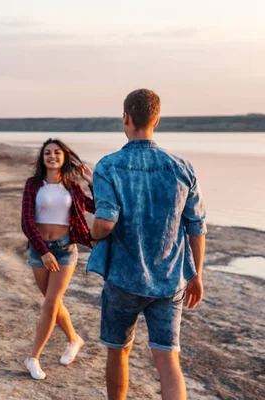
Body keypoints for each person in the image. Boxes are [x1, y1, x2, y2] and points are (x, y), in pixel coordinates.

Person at [88, 89, 207, 400]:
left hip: (123, 278)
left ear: (126, 118)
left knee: (118, 351)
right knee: (168, 359)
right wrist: (196, 275)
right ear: (157, 119)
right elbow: (196, 225)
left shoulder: (108, 166)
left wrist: (92, 234)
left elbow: (105, 222)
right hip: (170, 281)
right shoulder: (182, 167)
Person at [21, 138, 95, 380]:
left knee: (51, 303)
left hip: (65, 250)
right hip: (39, 250)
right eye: (47, 153)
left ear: (64, 157)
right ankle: (74, 339)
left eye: (57, 153)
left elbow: (96, 208)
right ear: (43, 158)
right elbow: (26, 221)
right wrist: (43, 250)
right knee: (53, 301)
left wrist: (92, 183)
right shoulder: (33, 185)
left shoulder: (73, 187)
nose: (52, 156)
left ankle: (33, 357)